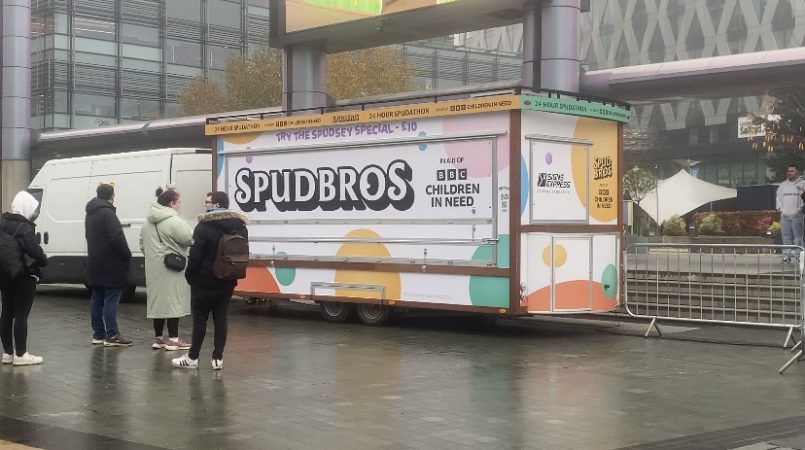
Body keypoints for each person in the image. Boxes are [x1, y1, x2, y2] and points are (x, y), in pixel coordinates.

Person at [172, 191, 248, 370]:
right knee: (221, 318)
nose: (205, 205)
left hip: (204, 282)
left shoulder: (204, 226)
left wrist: (190, 277)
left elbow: (195, 257)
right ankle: (217, 359)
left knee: (200, 319)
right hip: (228, 280)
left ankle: (192, 358)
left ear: (216, 205)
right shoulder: (241, 226)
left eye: (207, 202)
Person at [139, 187, 194, 351]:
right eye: (178, 202)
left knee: (158, 303)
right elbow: (189, 239)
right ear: (171, 203)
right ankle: (174, 340)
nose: (180, 205)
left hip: (154, 269)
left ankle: (158, 339)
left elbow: (142, 244)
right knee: (173, 302)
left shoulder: (147, 222)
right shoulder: (174, 221)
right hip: (172, 268)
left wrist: (154, 257)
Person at [0, 191, 48, 366]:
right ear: (26, 208)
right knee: (21, 314)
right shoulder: (24, 227)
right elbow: (34, 251)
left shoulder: (3, 222)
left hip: (4, 273)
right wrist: (43, 259)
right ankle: (21, 355)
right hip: (24, 275)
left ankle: (8, 353)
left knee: (6, 312)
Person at [85, 183, 133, 347]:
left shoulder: (90, 213)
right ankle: (112, 334)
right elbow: (117, 237)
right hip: (111, 264)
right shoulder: (108, 213)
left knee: (97, 297)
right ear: (112, 196)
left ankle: (98, 334)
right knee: (111, 298)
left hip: (95, 262)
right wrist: (127, 254)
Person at [776, 164, 805, 263]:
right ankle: (786, 256)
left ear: (797, 172)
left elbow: (803, 200)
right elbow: (778, 198)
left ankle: (799, 256)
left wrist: (799, 210)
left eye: (792, 171)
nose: (789, 173)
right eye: (788, 171)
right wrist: (780, 209)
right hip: (785, 216)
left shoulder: (802, 183)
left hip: (798, 216)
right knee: (785, 237)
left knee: (798, 237)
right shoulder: (783, 185)